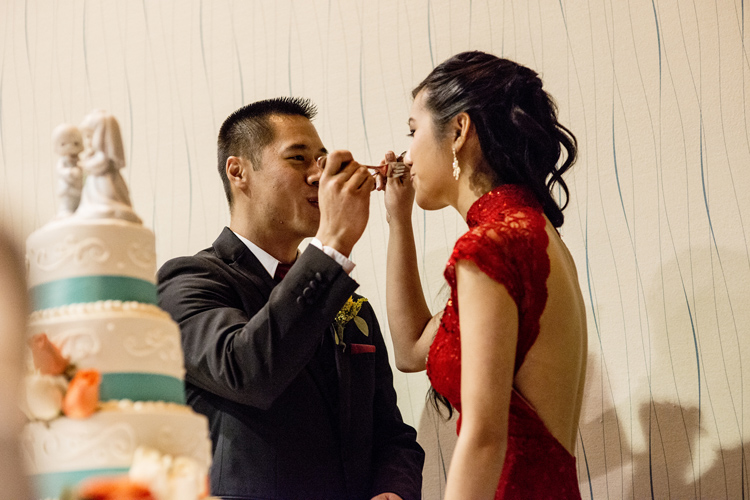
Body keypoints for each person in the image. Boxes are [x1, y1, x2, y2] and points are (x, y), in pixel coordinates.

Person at [157, 97, 424, 500]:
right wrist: (333, 244)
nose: (318, 175)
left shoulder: (346, 302)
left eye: (321, 159)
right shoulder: (190, 280)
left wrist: (394, 491)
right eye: (298, 159)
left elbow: (391, 434)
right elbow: (249, 372)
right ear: (238, 172)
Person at [381, 51, 587, 499]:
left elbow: (484, 436)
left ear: (459, 130)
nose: (405, 154)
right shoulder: (532, 229)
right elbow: (413, 349)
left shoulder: (489, 246)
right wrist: (399, 222)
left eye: (413, 131)